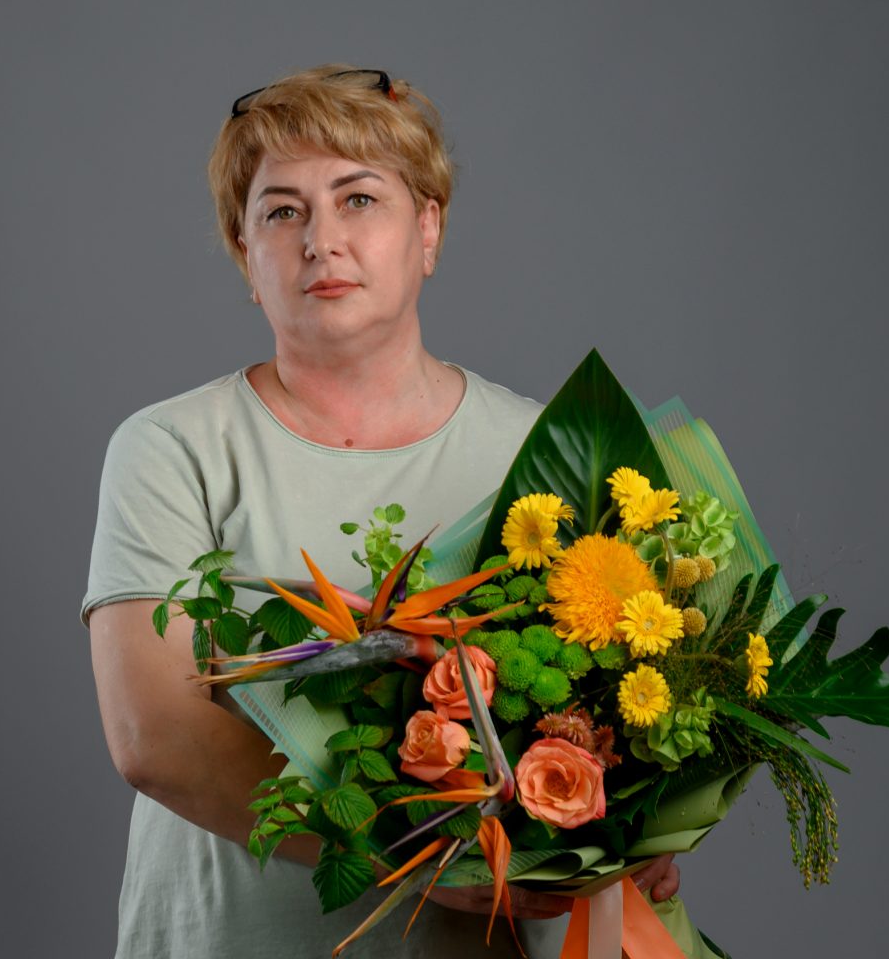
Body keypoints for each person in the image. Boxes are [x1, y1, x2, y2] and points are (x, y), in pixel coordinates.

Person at [84, 65, 680, 959]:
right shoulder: (173, 448)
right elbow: (155, 737)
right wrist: (433, 862)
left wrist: (633, 827)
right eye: (282, 212)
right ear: (246, 253)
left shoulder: (542, 452)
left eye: (358, 199)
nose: (321, 240)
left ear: (427, 229)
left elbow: (624, 707)